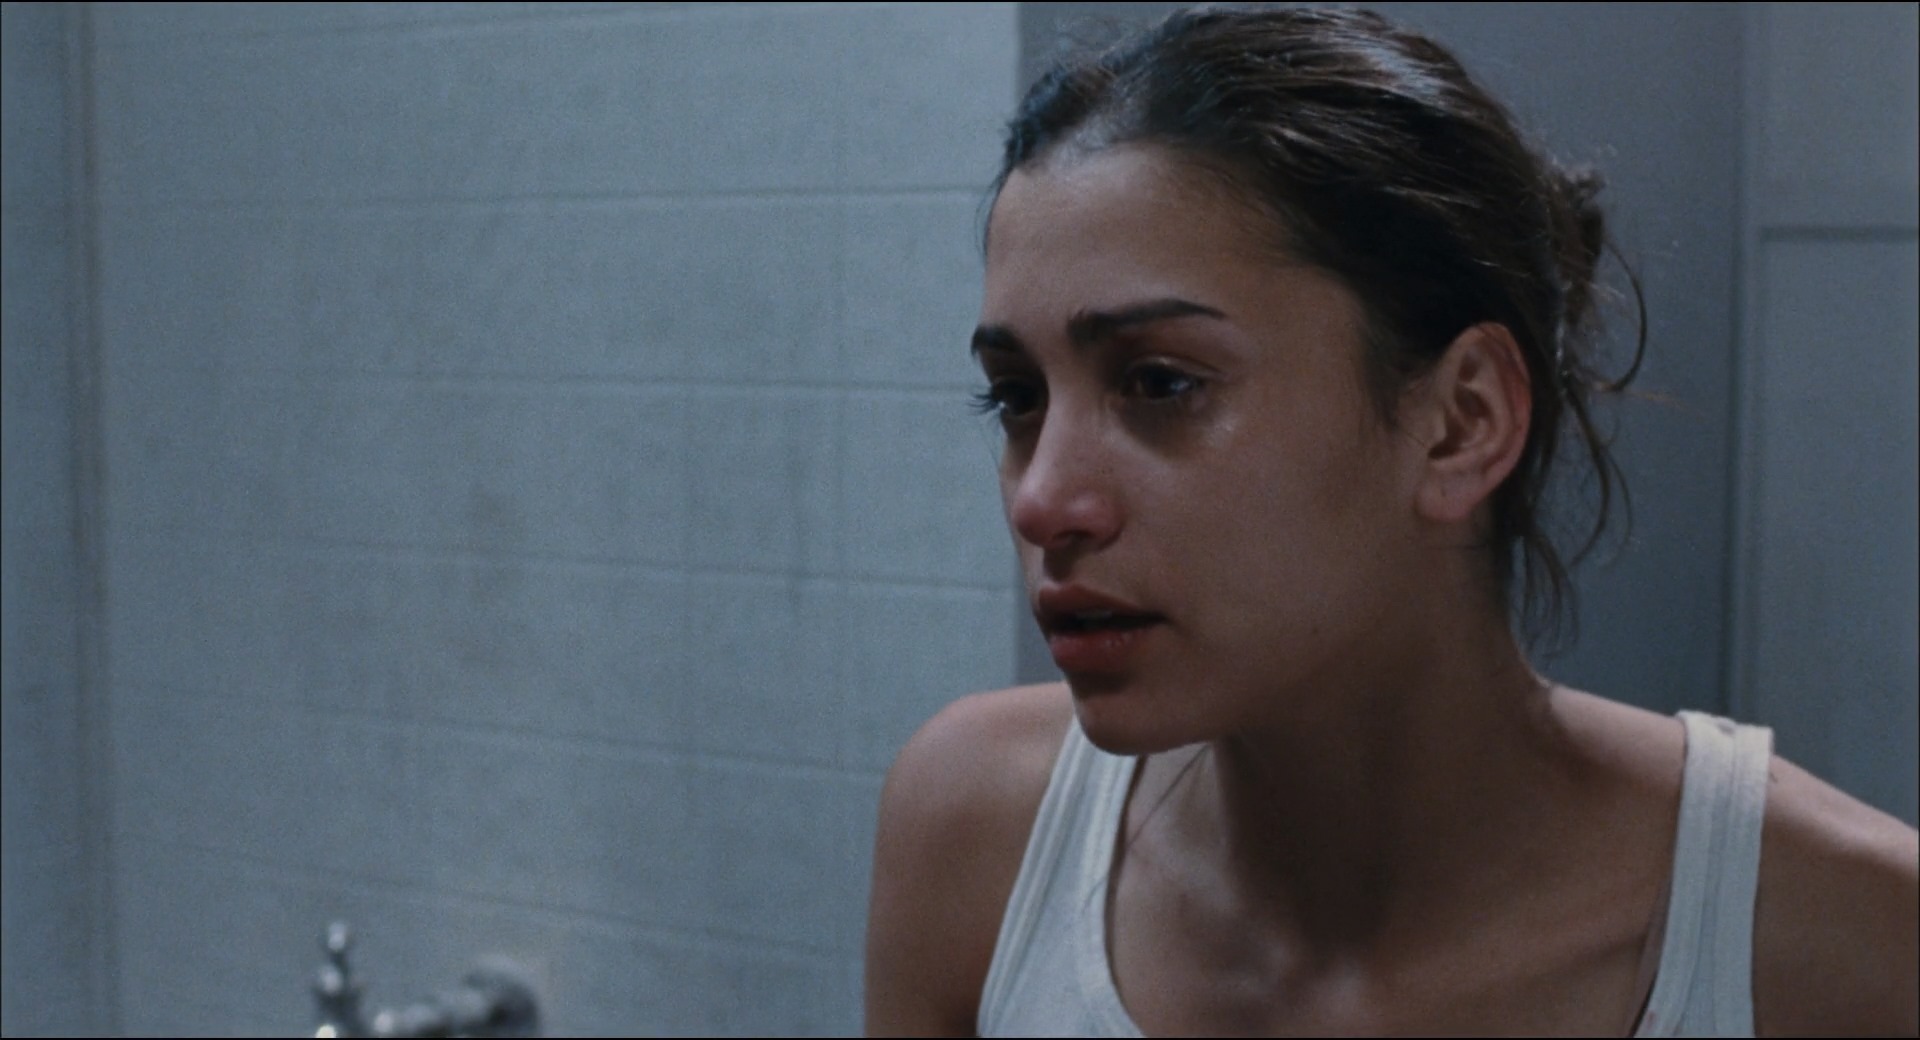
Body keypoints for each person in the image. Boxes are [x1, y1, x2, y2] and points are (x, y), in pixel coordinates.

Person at [863, 6, 1918, 1038]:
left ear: (1461, 423)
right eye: (1017, 398)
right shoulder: (979, 834)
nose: (1043, 500)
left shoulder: (1847, 939)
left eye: (1161, 383)